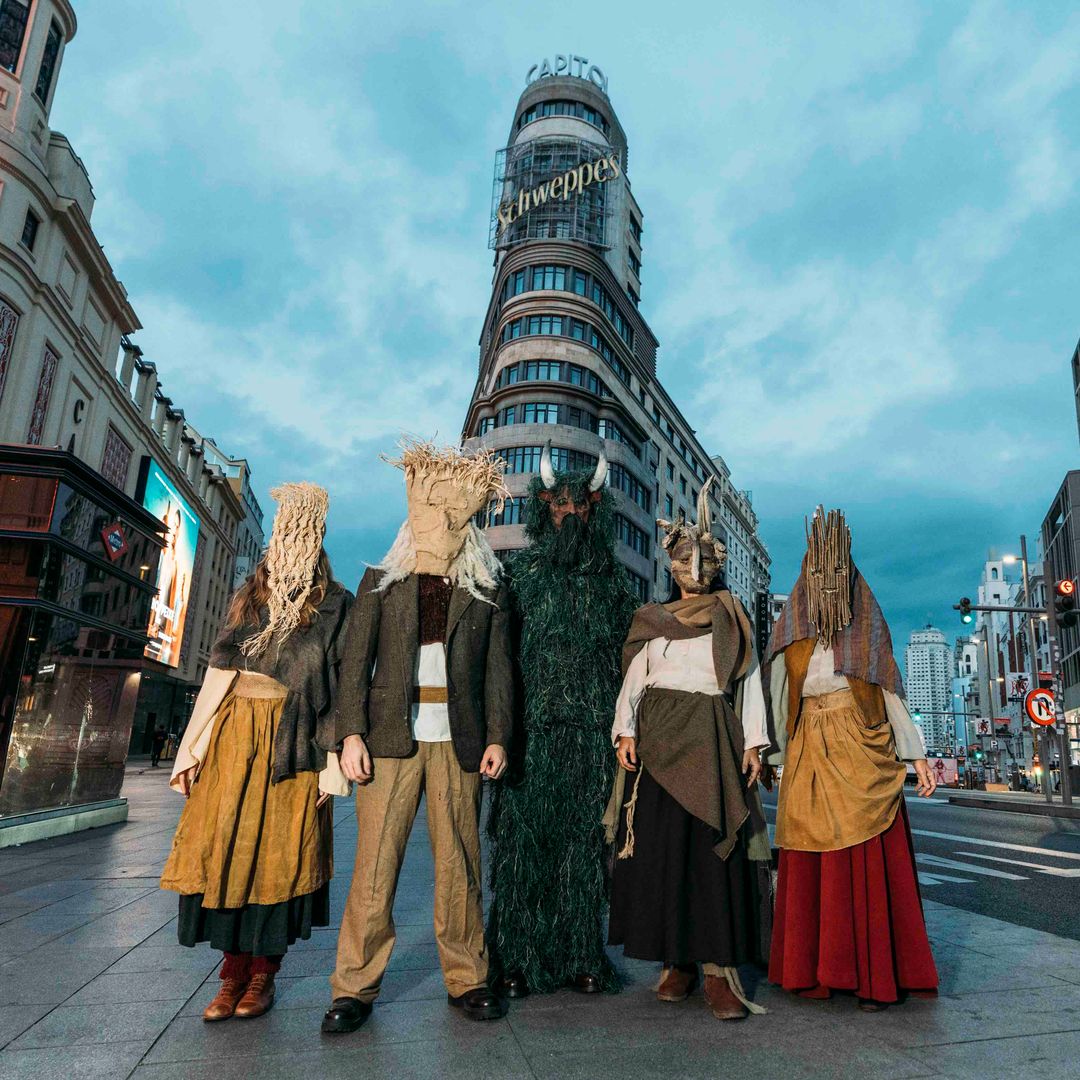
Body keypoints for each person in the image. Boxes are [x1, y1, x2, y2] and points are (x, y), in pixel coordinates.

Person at [321, 440, 513, 1034]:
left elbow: (500, 670)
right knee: (375, 864)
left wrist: (499, 737)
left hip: (460, 741)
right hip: (387, 740)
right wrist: (349, 734)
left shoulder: (489, 588)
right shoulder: (381, 581)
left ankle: (468, 978)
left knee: (460, 861)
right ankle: (354, 987)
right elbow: (356, 665)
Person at [161, 483, 352, 1022]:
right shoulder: (248, 598)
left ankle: (263, 976)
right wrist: (193, 749)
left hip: (294, 745)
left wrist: (332, 766)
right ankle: (230, 977)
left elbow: (339, 686)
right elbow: (219, 676)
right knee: (225, 855)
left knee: (277, 859)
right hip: (232, 741)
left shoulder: (336, 606)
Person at [604, 479, 771, 1021]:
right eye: (682, 562)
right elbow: (636, 680)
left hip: (713, 740)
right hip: (658, 746)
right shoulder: (654, 622)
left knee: (710, 854)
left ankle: (720, 973)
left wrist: (754, 743)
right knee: (664, 854)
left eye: (698, 562)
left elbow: (747, 683)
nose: (691, 571)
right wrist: (625, 731)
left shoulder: (731, 618)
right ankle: (676, 964)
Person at [766, 506, 939, 1011]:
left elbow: (889, 691)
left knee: (863, 860)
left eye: (837, 572)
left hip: (861, 745)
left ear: (850, 575)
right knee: (813, 859)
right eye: (818, 572)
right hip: (806, 751)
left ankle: (872, 974)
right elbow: (779, 697)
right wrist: (770, 755)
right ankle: (815, 969)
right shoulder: (790, 635)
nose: (827, 582)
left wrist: (917, 756)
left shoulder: (869, 627)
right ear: (805, 575)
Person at [486, 442, 637, 996]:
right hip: (530, 738)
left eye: (581, 507)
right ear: (544, 509)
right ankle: (518, 959)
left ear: (595, 512)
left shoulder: (614, 587)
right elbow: (498, 661)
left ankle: (580, 953)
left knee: (581, 851)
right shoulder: (521, 578)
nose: (570, 515)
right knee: (524, 848)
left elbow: (632, 664)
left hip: (590, 739)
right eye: (559, 506)